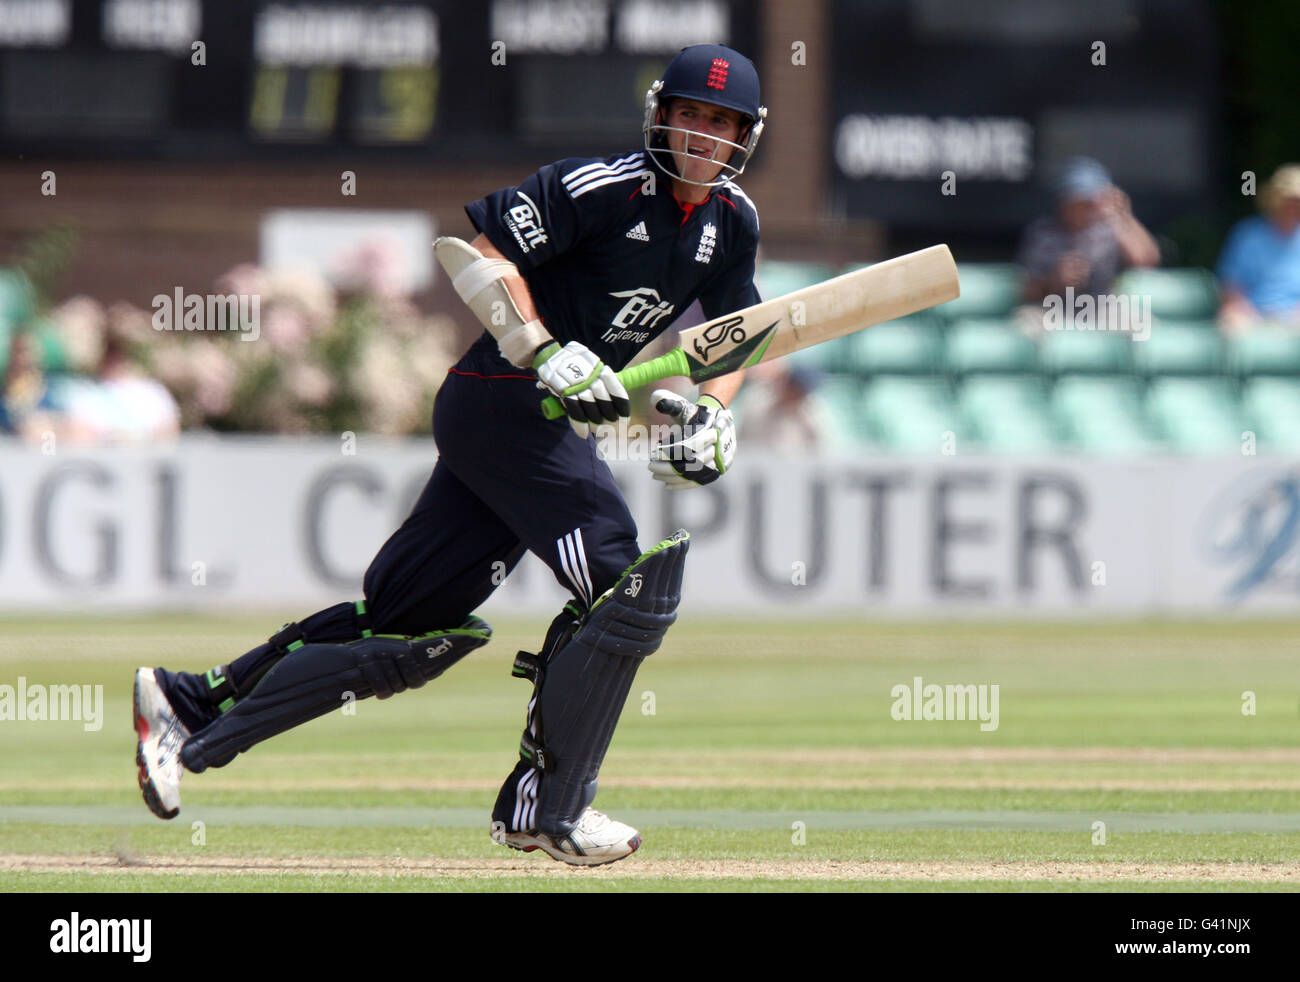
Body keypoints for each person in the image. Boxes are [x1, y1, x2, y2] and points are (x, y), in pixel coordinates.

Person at [133, 44, 767, 867]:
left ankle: (186, 705)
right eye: (688, 114)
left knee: (405, 627)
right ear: (660, 114)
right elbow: (484, 252)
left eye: (719, 122)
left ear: (742, 134)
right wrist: (543, 347)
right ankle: (547, 805)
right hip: (503, 397)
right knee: (620, 583)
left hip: (537, 426)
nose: (700, 135)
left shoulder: (732, 222)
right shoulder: (601, 188)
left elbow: (737, 333)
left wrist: (717, 413)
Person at [1016, 156, 1160, 313]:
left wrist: (1122, 216)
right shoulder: (1043, 234)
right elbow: (1024, 292)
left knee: (1138, 320)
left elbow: (1145, 262)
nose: (1087, 207)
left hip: (1101, 310)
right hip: (1052, 311)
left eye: (1092, 200)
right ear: (1062, 202)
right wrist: (1053, 281)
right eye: (1079, 201)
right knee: (1025, 320)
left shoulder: (1112, 227)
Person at [1216, 163, 1300, 332]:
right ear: (1274, 200)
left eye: (1297, 201)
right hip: (1252, 314)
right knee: (1230, 323)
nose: (1292, 206)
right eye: (1288, 200)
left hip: (1296, 315)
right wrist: (1244, 310)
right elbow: (1230, 285)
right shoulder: (1248, 234)